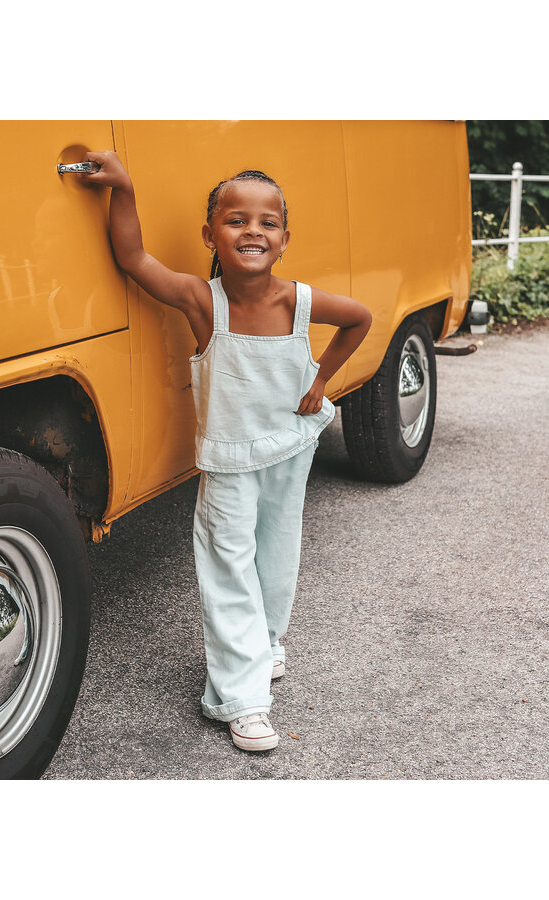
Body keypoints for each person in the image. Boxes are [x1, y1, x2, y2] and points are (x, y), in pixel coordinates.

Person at [79, 151, 372, 752]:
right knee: (228, 569)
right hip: (230, 464)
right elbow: (133, 258)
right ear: (210, 233)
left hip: (291, 450)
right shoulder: (200, 300)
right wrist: (125, 188)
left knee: (276, 558)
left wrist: (319, 383)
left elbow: (361, 320)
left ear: (285, 239)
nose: (253, 231)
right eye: (236, 220)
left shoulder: (299, 302)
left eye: (268, 222)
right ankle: (243, 698)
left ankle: (264, 644)